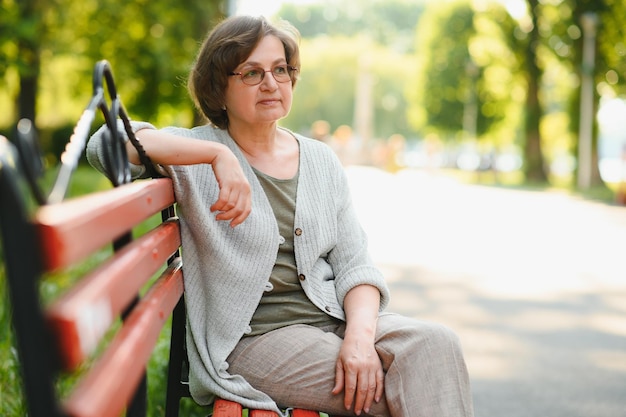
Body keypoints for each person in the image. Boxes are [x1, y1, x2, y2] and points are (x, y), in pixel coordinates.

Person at [87, 15, 474, 417]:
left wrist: (359, 339)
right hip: (254, 341)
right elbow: (105, 144)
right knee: (398, 387)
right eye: (252, 73)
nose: (271, 83)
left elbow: (355, 265)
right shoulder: (194, 152)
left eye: (281, 70)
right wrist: (216, 156)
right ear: (218, 89)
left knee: (436, 345)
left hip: (334, 321)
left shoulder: (321, 160)